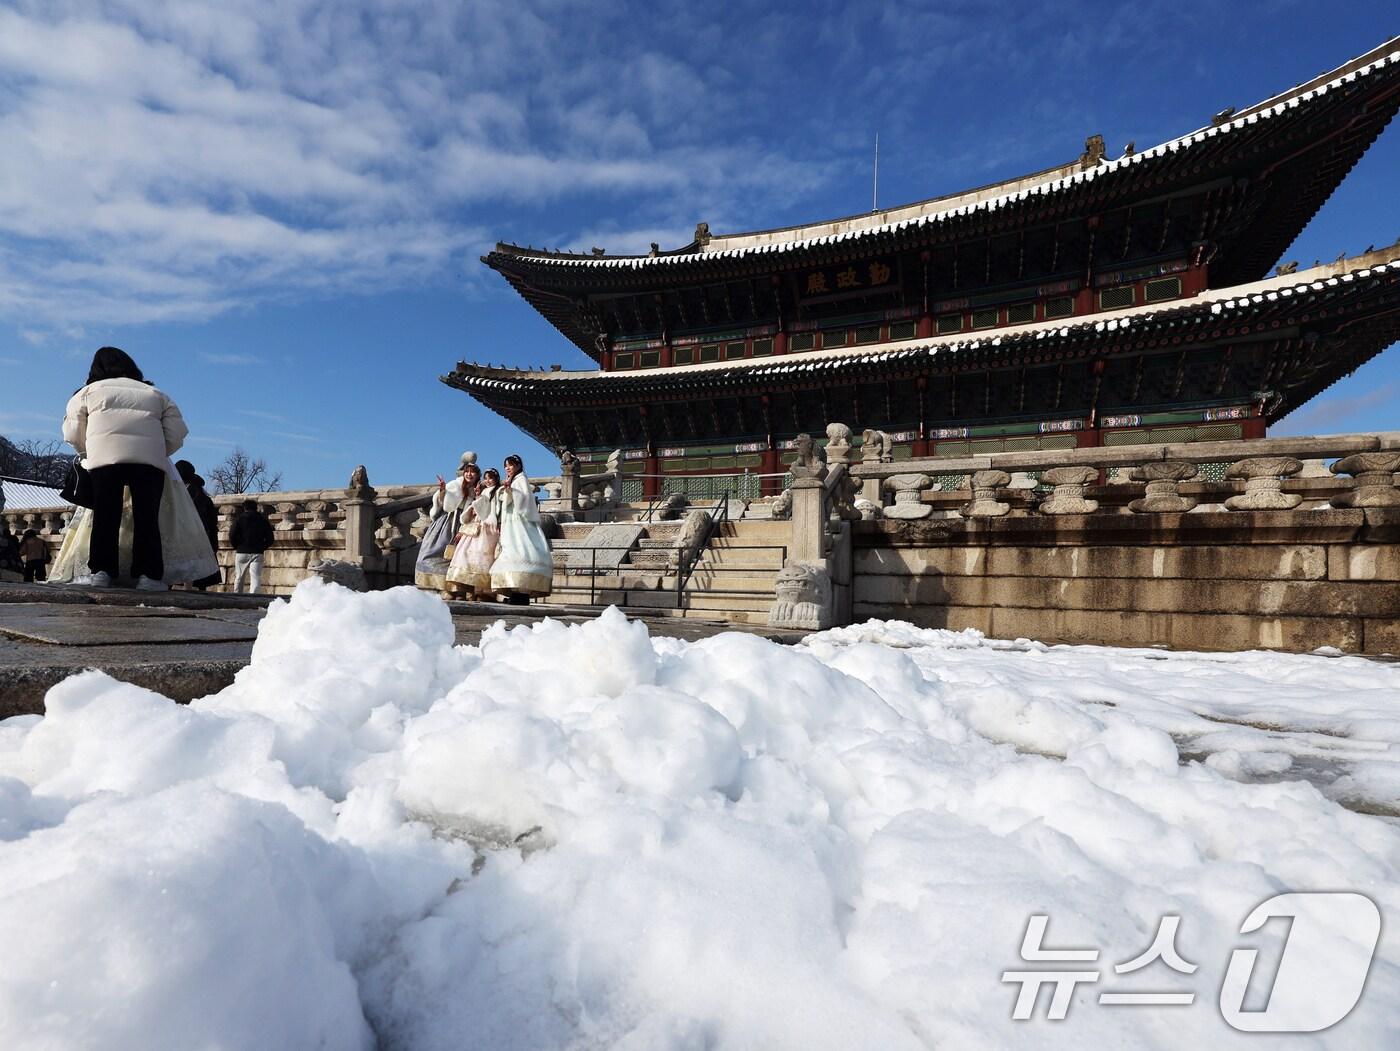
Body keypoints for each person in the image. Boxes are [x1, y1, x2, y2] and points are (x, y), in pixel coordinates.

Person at [62, 347, 187, 591]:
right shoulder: (156, 393)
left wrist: (87, 452)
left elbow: (73, 432)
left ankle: (102, 571)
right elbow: (177, 433)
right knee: (147, 518)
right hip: (148, 463)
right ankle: (148, 576)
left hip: (105, 461)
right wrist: (158, 452)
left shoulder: (88, 392)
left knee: (105, 515)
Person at [490, 454, 553, 603]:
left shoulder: (521, 480)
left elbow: (524, 501)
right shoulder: (513, 481)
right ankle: (515, 593)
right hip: (511, 523)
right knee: (512, 552)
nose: (507, 468)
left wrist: (511, 491)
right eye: (505, 466)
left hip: (520, 524)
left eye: (510, 465)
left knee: (520, 552)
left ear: (518, 466)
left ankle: (521, 594)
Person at [415, 452, 477, 591]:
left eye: (472, 472)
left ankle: (454, 589)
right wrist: (443, 490)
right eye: (467, 471)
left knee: (457, 558)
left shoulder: (477, 489)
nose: (469, 474)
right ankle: (435, 585)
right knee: (434, 552)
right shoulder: (454, 485)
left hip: (465, 525)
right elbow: (444, 503)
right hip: (447, 522)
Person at [445, 467, 501, 598]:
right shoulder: (483, 491)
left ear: (496, 479)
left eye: (490, 478)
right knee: (464, 556)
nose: (488, 481)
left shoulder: (498, 492)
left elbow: (494, 511)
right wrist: (477, 500)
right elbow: (476, 507)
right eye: (486, 478)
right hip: (475, 525)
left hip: (487, 528)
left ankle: (481, 592)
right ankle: (463, 589)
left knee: (482, 558)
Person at [177, 460, 222, 590]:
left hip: (187, 534)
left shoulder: (183, 493)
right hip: (201, 535)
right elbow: (212, 522)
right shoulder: (202, 496)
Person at [229, 499, 274, 594]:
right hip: (257, 552)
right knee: (256, 577)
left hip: (242, 551)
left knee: (239, 577)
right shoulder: (262, 520)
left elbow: (232, 534)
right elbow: (270, 538)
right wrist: (263, 547)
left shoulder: (239, 519)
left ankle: (237, 597)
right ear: (256, 508)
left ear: (244, 508)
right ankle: (254, 598)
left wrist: (236, 546)